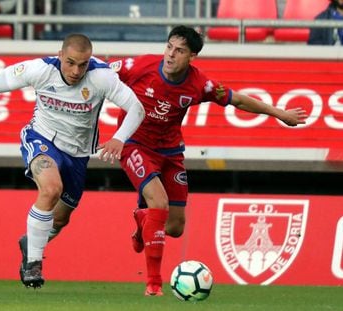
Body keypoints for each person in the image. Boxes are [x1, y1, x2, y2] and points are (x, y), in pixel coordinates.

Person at [108, 25, 308, 296]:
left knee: (176, 227)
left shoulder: (200, 84)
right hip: (134, 144)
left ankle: (144, 219)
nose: (170, 55)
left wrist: (279, 113)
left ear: (192, 57)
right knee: (160, 202)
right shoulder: (140, 65)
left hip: (170, 152)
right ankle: (153, 283)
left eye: (179, 51)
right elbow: (100, 72)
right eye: (169, 47)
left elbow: (238, 100)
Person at [0, 33, 145, 289]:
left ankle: (30, 243)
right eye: (70, 62)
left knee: (60, 219)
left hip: (78, 154)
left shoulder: (102, 77)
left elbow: (137, 108)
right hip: (41, 137)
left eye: (83, 64)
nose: (76, 70)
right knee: (51, 189)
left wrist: (119, 138)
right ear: (60, 55)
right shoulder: (40, 69)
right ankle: (33, 264)